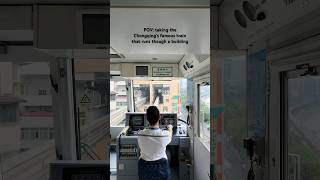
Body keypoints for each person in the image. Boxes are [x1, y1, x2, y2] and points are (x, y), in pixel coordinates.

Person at [137, 106, 173, 180]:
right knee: (168, 153)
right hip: (160, 168)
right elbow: (170, 134)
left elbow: (145, 131)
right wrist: (170, 128)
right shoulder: (165, 135)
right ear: (159, 117)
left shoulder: (140, 134)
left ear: (147, 118)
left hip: (144, 168)